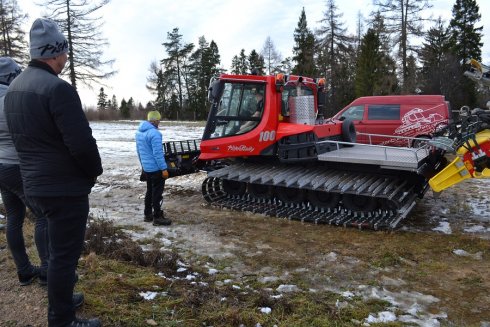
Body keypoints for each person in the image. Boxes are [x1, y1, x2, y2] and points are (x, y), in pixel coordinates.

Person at [4, 18, 102, 327]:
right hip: (63, 189)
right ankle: (62, 319)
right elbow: (82, 144)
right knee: (64, 257)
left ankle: (61, 303)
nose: (66, 58)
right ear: (54, 52)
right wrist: (92, 174)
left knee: (58, 255)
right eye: (65, 52)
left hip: (33, 183)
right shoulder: (57, 89)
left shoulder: (15, 88)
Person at [0, 57, 49, 286]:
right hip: (16, 166)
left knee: (14, 217)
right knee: (44, 215)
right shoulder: (11, 99)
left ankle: (24, 270)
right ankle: (49, 272)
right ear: (10, 77)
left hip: (1, 168)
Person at [136, 110, 172, 226]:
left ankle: (147, 214)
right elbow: (158, 154)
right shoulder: (155, 134)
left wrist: (143, 166)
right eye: (158, 120)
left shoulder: (139, 133)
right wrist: (164, 169)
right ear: (155, 121)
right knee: (157, 193)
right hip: (156, 169)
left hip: (147, 168)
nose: (159, 123)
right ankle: (157, 217)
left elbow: (139, 152)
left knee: (150, 191)